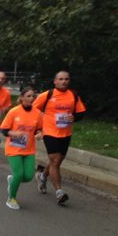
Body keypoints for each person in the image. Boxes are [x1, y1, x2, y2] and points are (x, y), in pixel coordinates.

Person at [33, 70, 86, 205]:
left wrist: (74, 117)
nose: (63, 82)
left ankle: (42, 176)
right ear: (55, 81)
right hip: (49, 132)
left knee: (56, 161)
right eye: (61, 79)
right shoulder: (47, 95)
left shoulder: (73, 95)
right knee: (55, 161)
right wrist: (38, 129)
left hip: (66, 133)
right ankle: (59, 192)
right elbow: (32, 111)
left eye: (66, 79)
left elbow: (81, 112)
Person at [0, 87, 43, 210]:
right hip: (13, 148)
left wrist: (39, 134)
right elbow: (4, 131)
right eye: (28, 96)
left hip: (29, 149)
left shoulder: (37, 113)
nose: (31, 98)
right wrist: (14, 134)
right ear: (22, 97)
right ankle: (11, 198)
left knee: (28, 176)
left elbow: (39, 128)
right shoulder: (14, 112)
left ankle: (12, 180)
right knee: (18, 174)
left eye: (33, 96)